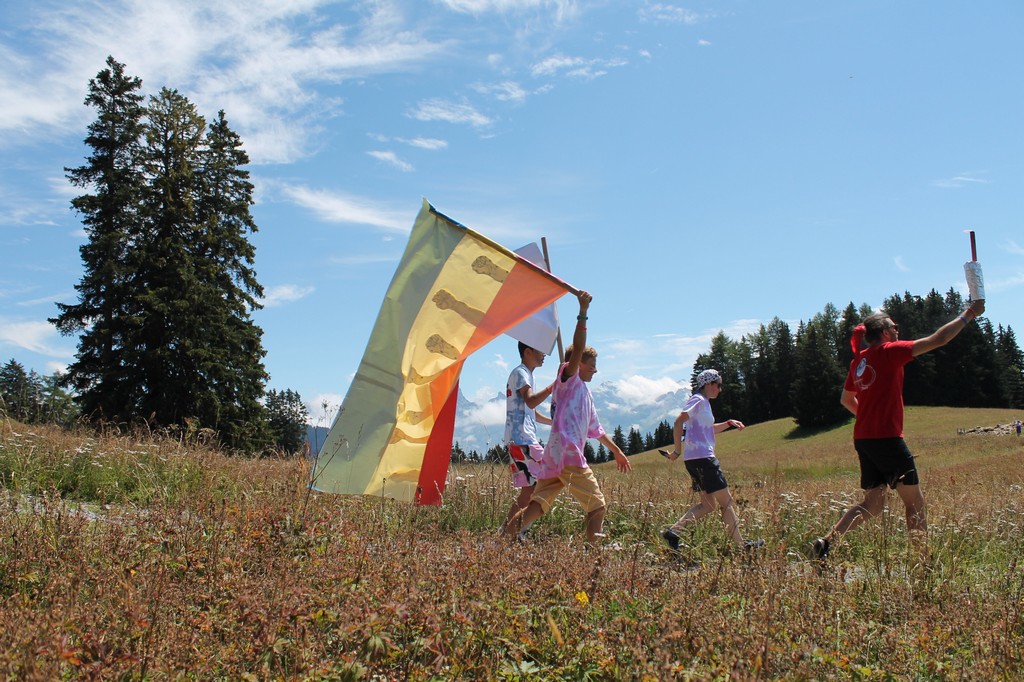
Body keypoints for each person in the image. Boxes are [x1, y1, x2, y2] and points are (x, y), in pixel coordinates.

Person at [810, 299, 986, 563]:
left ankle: (825, 543)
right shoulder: (889, 351)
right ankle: (921, 562)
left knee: (873, 503)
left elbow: (846, 400)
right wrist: (969, 314)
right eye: (894, 327)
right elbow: (939, 339)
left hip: (865, 439)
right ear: (884, 332)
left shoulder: (858, 361)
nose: (898, 331)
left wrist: (869, 416)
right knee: (914, 502)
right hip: (888, 439)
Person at [502, 290, 632, 544]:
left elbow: (597, 430)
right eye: (590, 364)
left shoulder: (586, 394)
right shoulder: (568, 378)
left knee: (538, 503)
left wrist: (617, 451)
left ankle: (502, 541)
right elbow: (578, 347)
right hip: (570, 454)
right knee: (597, 506)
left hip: (553, 456)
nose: (595, 369)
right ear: (576, 363)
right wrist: (583, 313)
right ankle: (593, 555)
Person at [659, 369, 764, 553]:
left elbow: (708, 429)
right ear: (708, 384)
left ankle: (673, 532)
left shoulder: (704, 403)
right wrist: (676, 450)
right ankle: (742, 546)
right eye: (718, 385)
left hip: (695, 459)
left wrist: (729, 423)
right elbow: (678, 422)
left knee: (708, 505)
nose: (720, 389)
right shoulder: (698, 400)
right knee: (727, 502)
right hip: (704, 459)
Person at [500, 341, 553, 537]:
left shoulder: (525, 374)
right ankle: (513, 531)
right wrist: (553, 386)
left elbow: (531, 410)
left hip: (519, 439)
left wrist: (553, 422)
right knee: (549, 477)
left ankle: (508, 532)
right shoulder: (522, 373)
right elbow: (531, 400)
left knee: (528, 491)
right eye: (541, 349)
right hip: (523, 439)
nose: (545, 354)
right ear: (528, 351)